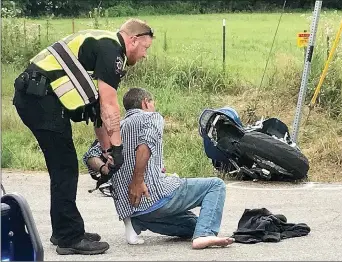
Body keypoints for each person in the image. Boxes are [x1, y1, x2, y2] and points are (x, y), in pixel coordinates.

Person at [12, 19, 154, 255]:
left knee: (62, 167)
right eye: (145, 48)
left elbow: (97, 110)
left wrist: (108, 151)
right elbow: (110, 105)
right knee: (65, 167)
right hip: (40, 99)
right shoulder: (113, 53)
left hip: (36, 97)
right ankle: (69, 237)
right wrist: (118, 148)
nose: (145, 55)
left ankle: (63, 231)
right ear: (133, 40)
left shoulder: (103, 44)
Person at [83, 87, 234, 249]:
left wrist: (104, 170)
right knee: (215, 185)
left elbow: (90, 155)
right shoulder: (152, 117)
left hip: (136, 212)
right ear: (145, 103)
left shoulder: (116, 130)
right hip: (154, 197)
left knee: (193, 225)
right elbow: (145, 144)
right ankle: (204, 235)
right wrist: (137, 180)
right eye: (152, 102)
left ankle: (139, 223)